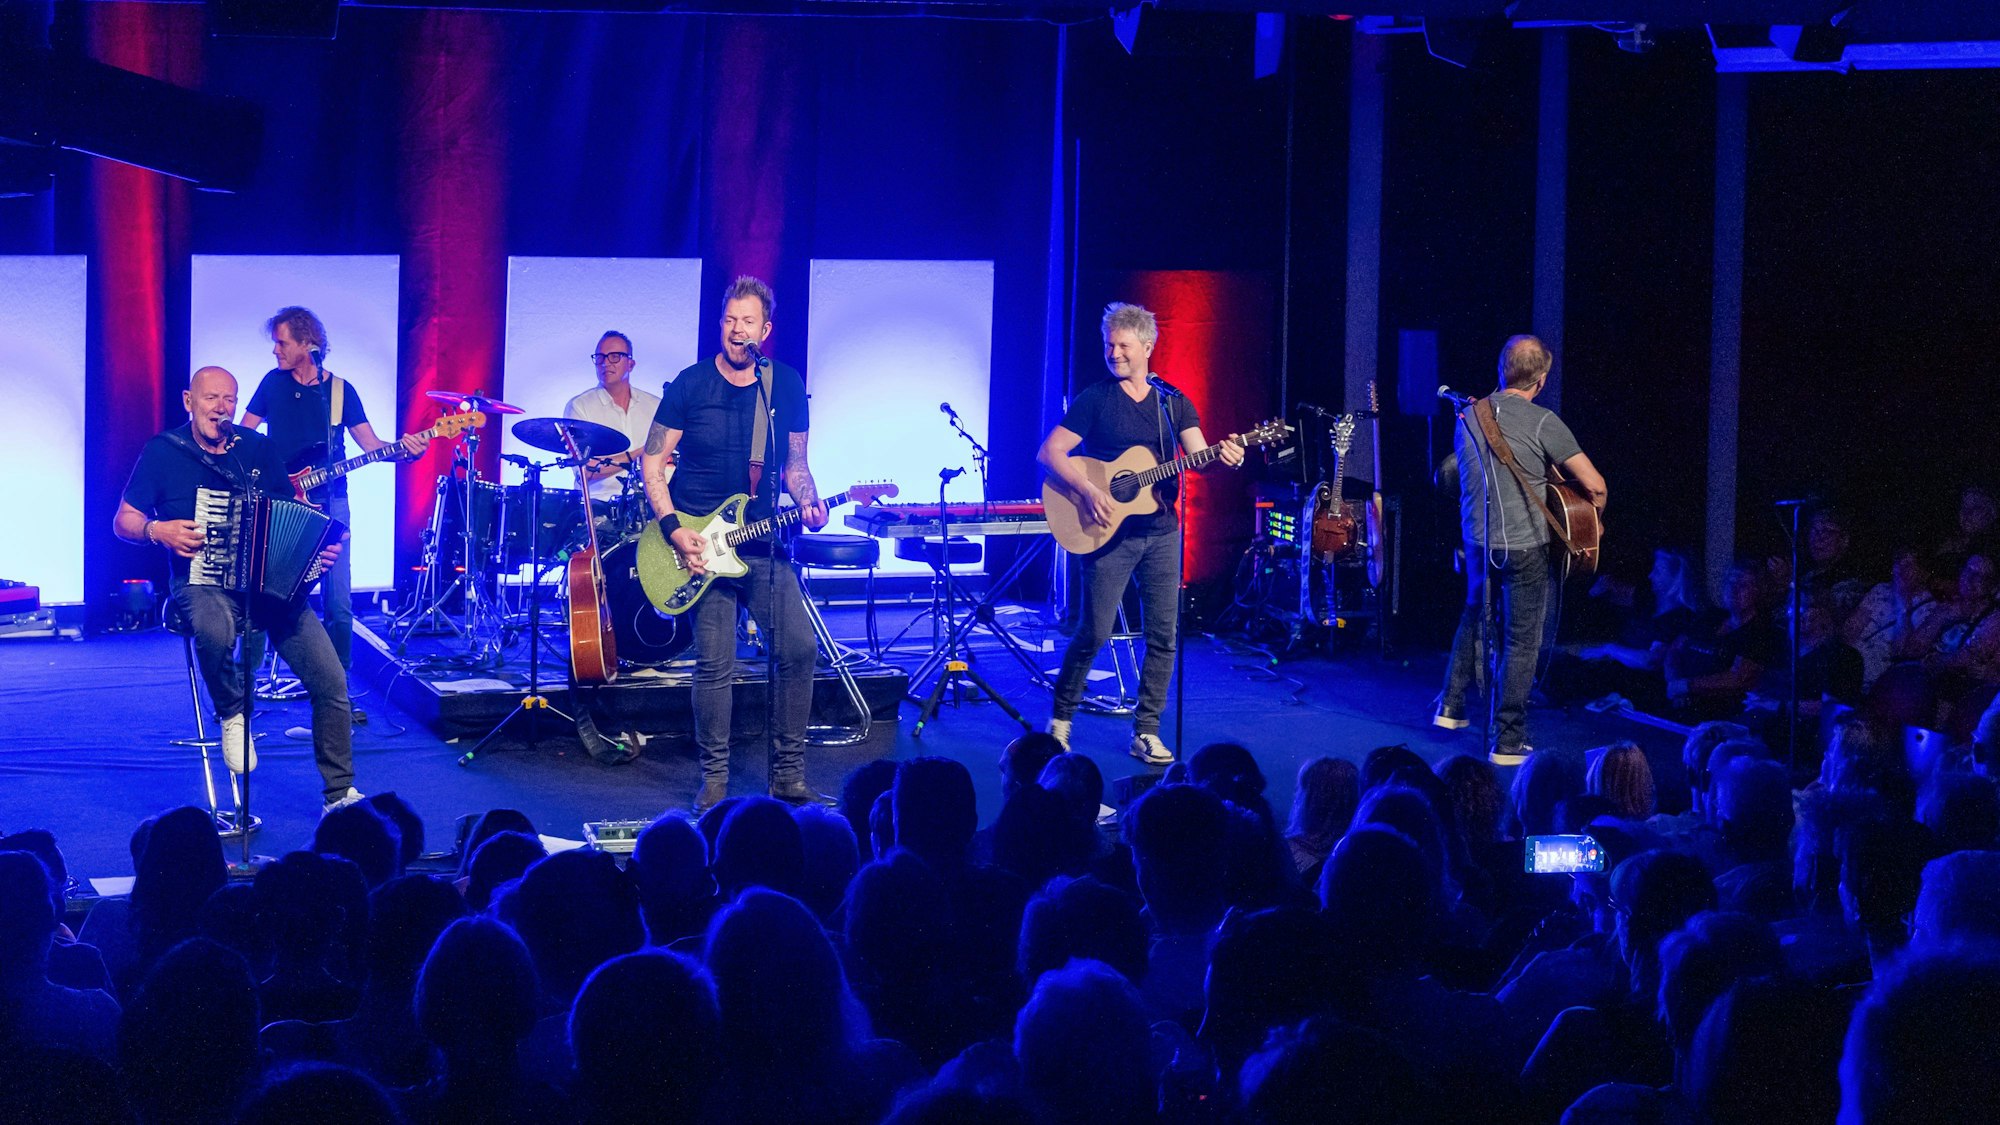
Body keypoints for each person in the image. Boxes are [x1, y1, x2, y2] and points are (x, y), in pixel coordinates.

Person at [114, 367, 360, 813]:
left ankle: (340, 794)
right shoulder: (163, 451)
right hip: (200, 581)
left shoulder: (259, 450)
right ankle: (232, 711)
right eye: (211, 398)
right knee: (215, 627)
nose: (221, 407)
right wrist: (158, 530)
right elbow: (123, 520)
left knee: (331, 680)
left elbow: (291, 515)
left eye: (229, 399)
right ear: (189, 400)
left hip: (270, 586)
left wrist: (314, 556)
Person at [639, 276, 834, 813]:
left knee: (797, 649)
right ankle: (716, 780)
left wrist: (811, 500)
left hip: (761, 540)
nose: (736, 330)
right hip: (698, 546)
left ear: (765, 330)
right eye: (729, 320)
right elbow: (652, 462)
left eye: (747, 322)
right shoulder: (689, 384)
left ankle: (788, 774)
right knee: (715, 661)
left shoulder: (785, 386)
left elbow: (796, 466)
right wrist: (674, 528)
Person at [1039, 302, 1244, 765]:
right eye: (1109, 345)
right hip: (1106, 532)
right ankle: (1060, 723)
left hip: (1161, 533)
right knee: (1093, 632)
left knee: (1163, 636)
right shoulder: (1096, 399)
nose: (1114, 353)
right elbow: (1051, 452)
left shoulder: (1174, 404)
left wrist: (1225, 454)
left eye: (1123, 345)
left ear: (1148, 346)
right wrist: (1089, 490)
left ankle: (1145, 730)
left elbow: (1200, 459)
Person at [1434, 335, 1606, 765]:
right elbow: (1596, 484)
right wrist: (1593, 521)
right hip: (1526, 546)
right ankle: (1508, 740)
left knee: (1474, 616)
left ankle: (1451, 707)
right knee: (1521, 640)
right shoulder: (1544, 421)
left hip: (1477, 540)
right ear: (1542, 380)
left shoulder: (1468, 416)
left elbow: (1457, 473)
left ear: (1501, 369)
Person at [238, 306, 428, 689]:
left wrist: (408, 450)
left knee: (339, 602)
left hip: (332, 503)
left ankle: (338, 691)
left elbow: (373, 446)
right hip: (282, 503)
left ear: (309, 344)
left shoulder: (340, 391)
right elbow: (244, 437)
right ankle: (243, 693)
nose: (275, 350)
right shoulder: (272, 384)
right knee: (262, 594)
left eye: (282, 342)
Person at [564, 329, 661, 502]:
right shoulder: (581, 406)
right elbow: (584, 471)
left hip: (648, 502)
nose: (605, 363)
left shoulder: (654, 405)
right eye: (600, 357)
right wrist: (640, 453)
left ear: (631, 364)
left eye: (614, 356)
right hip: (597, 503)